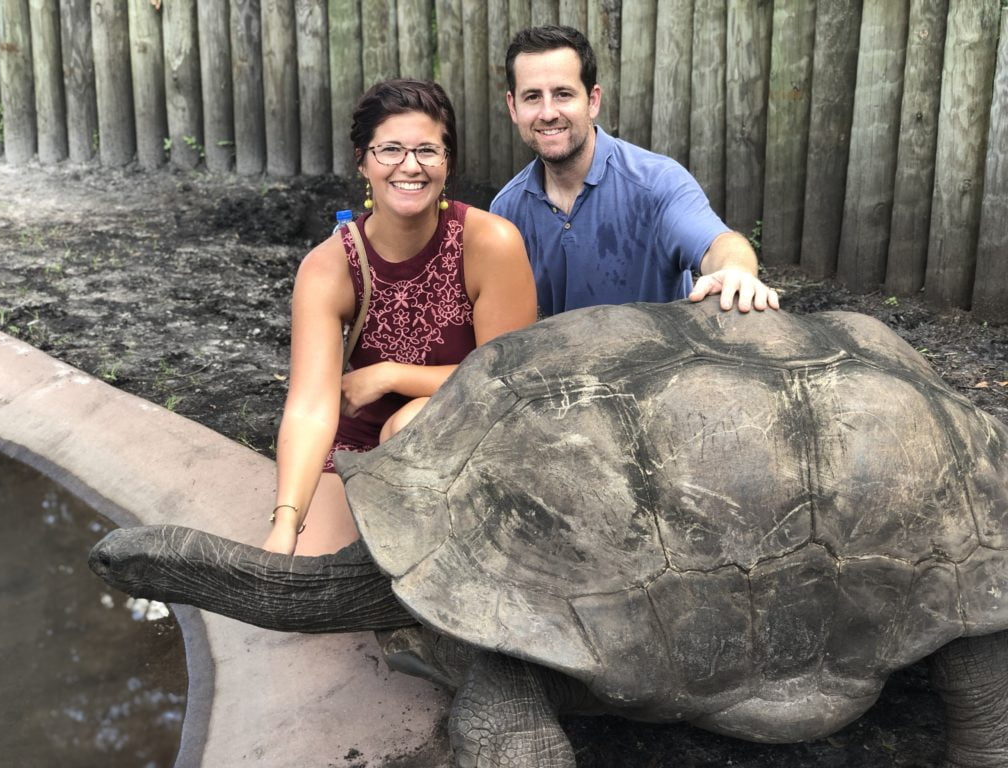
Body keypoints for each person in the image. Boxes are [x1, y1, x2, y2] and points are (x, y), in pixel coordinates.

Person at [263, 79, 537, 556]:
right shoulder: (327, 267)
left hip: (466, 425)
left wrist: (390, 376)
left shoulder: (491, 243)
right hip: (362, 436)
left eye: (427, 150)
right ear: (362, 161)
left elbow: (505, 380)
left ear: (447, 163)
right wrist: (286, 521)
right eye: (389, 149)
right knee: (311, 569)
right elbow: (309, 407)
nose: (410, 166)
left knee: (407, 429)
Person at [490, 25, 780, 317]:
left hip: (659, 361)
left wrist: (736, 271)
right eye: (532, 97)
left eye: (563, 94)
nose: (548, 112)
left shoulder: (656, 183)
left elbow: (719, 243)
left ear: (593, 100)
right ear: (513, 107)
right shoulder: (506, 210)